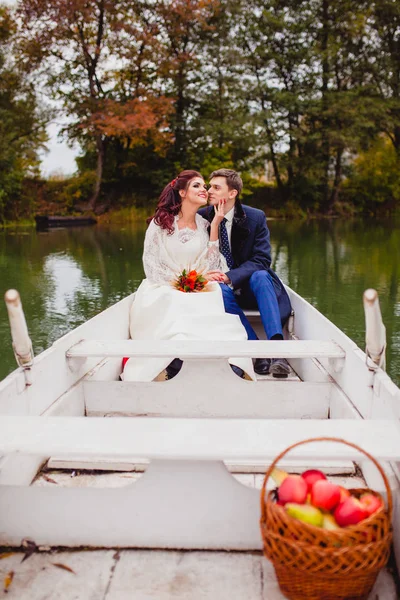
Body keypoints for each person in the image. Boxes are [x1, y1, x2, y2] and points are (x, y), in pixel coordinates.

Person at [122, 170, 255, 382]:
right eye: (197, 185)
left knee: (213, 299)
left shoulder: (204, 225)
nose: (204, 190)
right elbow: (151, 263)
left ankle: (226, 362)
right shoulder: (160, 224)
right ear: (182, 192)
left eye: (205, 186)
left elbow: (211, 266)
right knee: (174, 300)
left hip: (196, 286)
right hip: (162, 286)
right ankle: (173, 362)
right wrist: (179, 284)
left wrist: (214, 227)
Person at [199, 168, 292, 377]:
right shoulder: (201, 217)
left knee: (261, 275)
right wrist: (221, 280)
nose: (209, 191)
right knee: (218, 289)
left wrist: (231, 276)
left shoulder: (255, 217)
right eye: (208, 186)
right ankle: (257, 351)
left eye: (215, 187)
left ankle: (277, 352)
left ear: (232, 193)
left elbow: (262, 259)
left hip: (252, 288)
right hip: (220, 292)